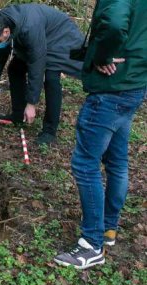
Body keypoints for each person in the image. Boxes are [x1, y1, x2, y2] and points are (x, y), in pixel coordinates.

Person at [54, 0, 146, 269]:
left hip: (111, 88)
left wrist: (103, 56)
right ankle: (108, 228)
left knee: (85, 164)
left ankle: (91, 244)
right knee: (117, 161)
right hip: (134, 83)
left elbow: (115, 22)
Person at [0, 4, 84, 145]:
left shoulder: (29, 28)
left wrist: (31, 103)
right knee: (15, 69)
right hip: (39, 35)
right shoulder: (3, 20)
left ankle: (49, 131)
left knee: (51, 78)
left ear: (6, 32)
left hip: (60, 37)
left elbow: (36, 64)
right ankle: (18, 114)